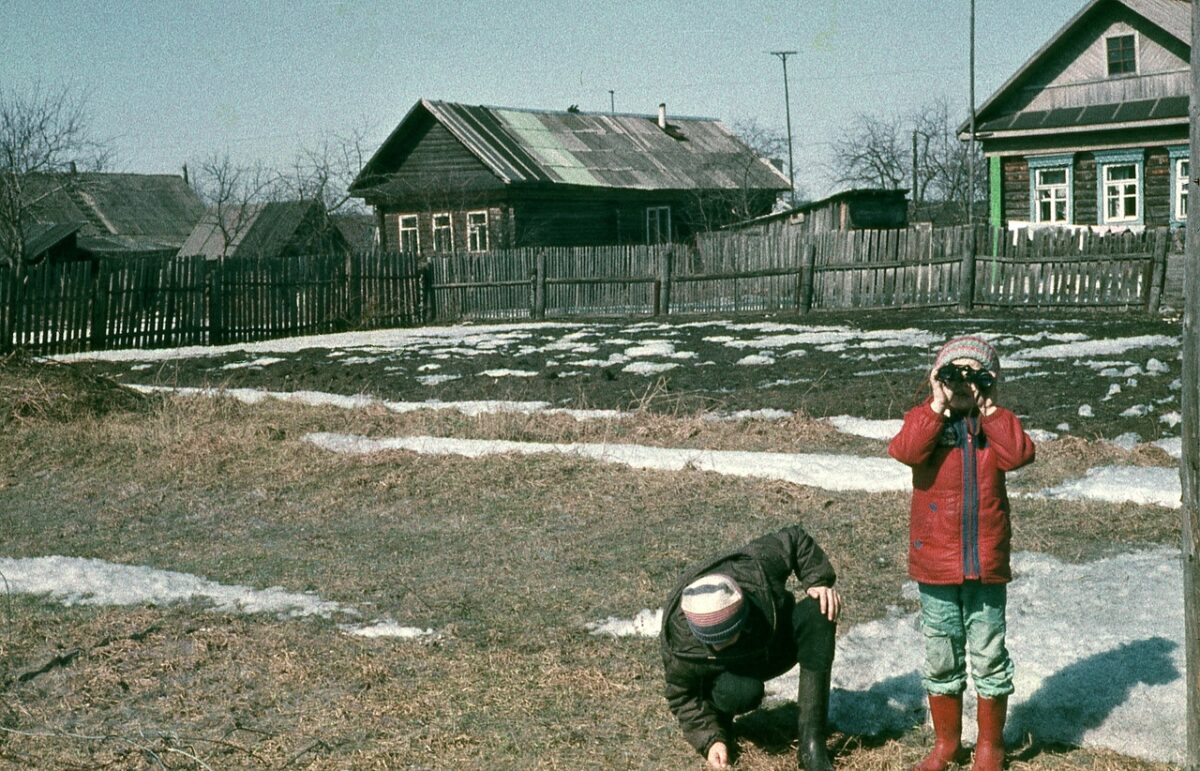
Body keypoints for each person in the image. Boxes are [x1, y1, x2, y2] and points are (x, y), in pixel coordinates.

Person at [888, 335, 1036, 771]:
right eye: (955, 375)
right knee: (941, 653)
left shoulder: (994, 427)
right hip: (935, 566)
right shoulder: (926, 423)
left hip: (986, 565)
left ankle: (990, 746)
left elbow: (1019, 455)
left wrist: (990, 408)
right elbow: (905, 450)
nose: (964, 385)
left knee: (990, 653)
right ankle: (946, 745)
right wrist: (937, 402)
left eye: (975, 376)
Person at [660, 525, 842, 770]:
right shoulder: (682, 645)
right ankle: (722, 721)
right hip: (730, 677)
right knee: (743, 692)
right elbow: (683, 697)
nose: (723, 645)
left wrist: (817, 580)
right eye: (716, 642)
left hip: (772, 642)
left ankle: (812, 744)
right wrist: (710, 740)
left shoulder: (754, 567)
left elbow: (794, 538)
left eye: (730, 634)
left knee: (818, 611)